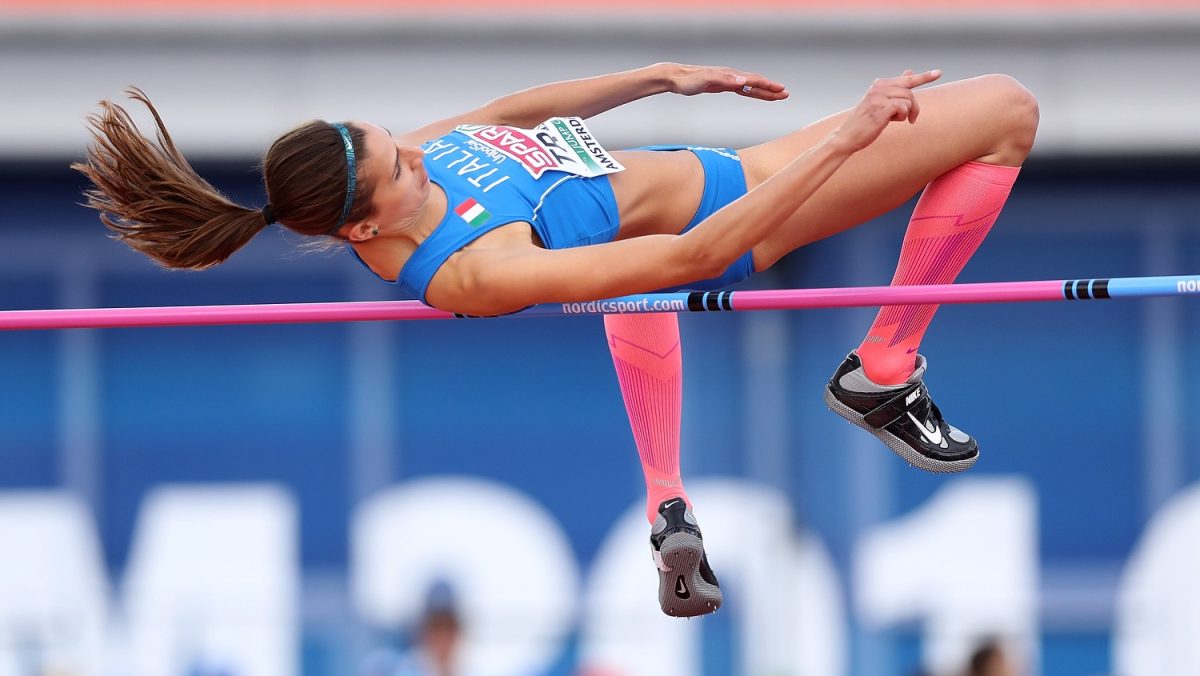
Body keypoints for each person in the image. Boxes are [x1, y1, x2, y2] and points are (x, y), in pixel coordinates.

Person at [74, 63, 1038, 618]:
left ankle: (668, 503)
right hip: (748, 205)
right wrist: (846, 139)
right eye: (399, 166)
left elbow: (508, 116)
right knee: (1004, 111)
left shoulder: (404, 170)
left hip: (717, 169)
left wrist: (656, 78)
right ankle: (882, 369)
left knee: (626, 277)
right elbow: (692, 256)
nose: (416, 151)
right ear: (362, 229)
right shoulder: (474, 269)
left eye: (394, 139)